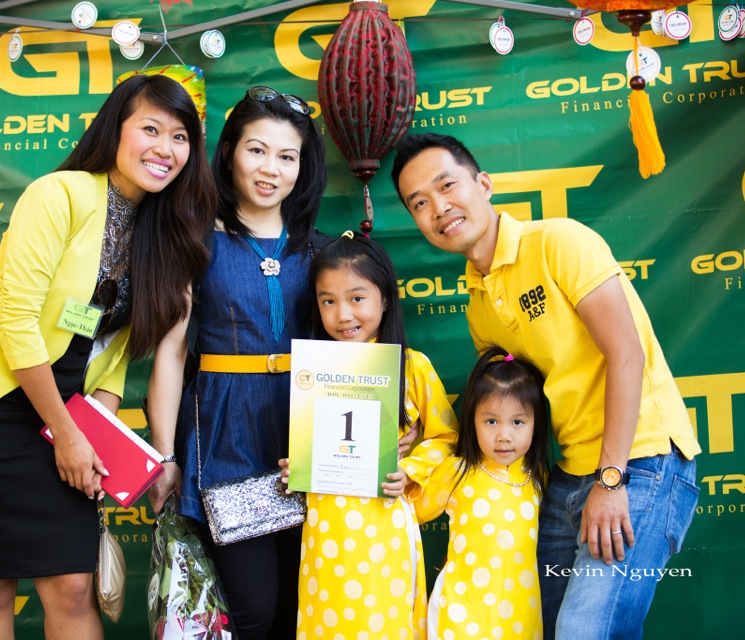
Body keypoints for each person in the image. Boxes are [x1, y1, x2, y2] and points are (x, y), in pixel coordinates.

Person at [0, 74, 216, 639]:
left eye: (180, 137)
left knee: (75, 585)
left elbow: (114, 355)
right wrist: (68, 432)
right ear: (116, 128)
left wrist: (95, 436)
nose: (165, 148)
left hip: (67, 413)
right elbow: (15, 320)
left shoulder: (161, 236)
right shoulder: (60, 194)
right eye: (150, 128)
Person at [390, 132, 702, 639]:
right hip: (569, 475)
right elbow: (507, 408)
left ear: (483, 183)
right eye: (419, 203)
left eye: (447, 186)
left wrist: (611, 479)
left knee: (583, 631)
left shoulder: (559, 242)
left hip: (640, 461)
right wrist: (411, 437)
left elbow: (626, 355)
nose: (438, 208)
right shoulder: (478, 307)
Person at [145, 85, 328, 639]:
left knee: (307, 611)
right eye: (257, 149)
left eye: (287, 155)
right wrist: (165, 455)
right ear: (228, 153)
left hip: (312, 446)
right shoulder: (197, 243)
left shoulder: (322, 252)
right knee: (253, 612)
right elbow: (172, 353)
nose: (271, 168)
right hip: (228, 440)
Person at [277, 231, 458, 639]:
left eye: (357, 298)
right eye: (329, 301)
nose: (343, 315)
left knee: (386, 624)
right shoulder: (313, 372)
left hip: (385, 526)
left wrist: (410, 470)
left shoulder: (411, 367)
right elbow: (310, 447)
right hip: (325, 528)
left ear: (385, 299)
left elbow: (448, 439)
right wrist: (298, 468)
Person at [403, 345, 550, 639]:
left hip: (521, 618)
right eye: (491, 421)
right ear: (473, 421)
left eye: (518, 422)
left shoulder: (540, 480)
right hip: (459, 616)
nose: (503, 435)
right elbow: (406, 514)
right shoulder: (456, 472)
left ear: (536, 424)